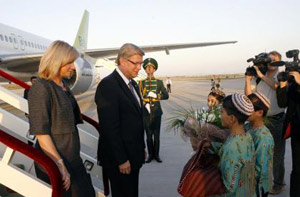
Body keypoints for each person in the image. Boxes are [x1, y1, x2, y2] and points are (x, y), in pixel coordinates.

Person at [28, 40, 95, 196]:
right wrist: (59, 164)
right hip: (55, 160)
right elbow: (41, 132)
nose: (74, 66)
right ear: (57, 61)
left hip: (72, 157)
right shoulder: (41, 87)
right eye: (70, 62)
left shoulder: (63, 84)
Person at [95, 43, 145, 197]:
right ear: (122, 61)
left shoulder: (132, 84)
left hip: (133, 154)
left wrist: (141, 147)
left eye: (140, 63)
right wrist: (121, 159)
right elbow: (110, 128)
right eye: (135, 63)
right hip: (120, 160)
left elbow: (135, 119)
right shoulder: (108, 85)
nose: (139, 68)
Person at [244, 51, 286, 194]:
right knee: (257, 152)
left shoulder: (281, 75)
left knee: (278, 155)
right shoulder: (260, 76)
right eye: (269, 60)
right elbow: (249, 96)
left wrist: (261, 76)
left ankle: (279, 183)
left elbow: (277, 87)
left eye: (273, 60)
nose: (270, 62)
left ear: (279, 62)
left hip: (278, 120)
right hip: (261, 120)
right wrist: (248, 80)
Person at [211, 93, 255, 196]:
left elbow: (229, 189)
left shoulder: (230, 148)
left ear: (232, 118)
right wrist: (211, 145)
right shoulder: (247, 136)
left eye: (222, 112)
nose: (220, 115)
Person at [139, 58, 169, 163]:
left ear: (154, 69)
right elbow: (138, 97)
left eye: (151, 67)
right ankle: (150, 155)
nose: (149, 69)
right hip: (145, 112)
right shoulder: (141, 83)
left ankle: (156, 155)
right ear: (145, 70)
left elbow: (166, 95)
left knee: (156, 135)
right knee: (148, 135)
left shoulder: (159, 82)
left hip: (156, 111)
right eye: (147, 67)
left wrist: (156, 95)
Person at [246, 92, 274, 197]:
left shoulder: (263, 137)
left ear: (259, 112)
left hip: (258, 187)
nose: (244, 111)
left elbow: (261, 169)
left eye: (248, 109)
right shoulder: (248, 126)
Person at [276, 71, 300, 197]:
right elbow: (282, 103)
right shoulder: (293, 84)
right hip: (297, 131)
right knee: (297, 169)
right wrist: (283, 85)